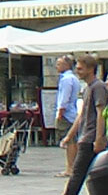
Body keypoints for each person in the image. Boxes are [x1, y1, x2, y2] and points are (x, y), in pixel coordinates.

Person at [62, 54, 107, 195]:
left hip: (90, 138)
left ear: (90, 69)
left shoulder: (98, 87)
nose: (77, 71)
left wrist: (99, 138)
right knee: (85, 174)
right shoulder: (88, 88)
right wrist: (69, 136)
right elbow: (81, 115)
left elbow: (101, 113)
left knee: (78, 174)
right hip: (85, 136)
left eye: (80, 69)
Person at [55, 55, 81, 177]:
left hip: (67, 113)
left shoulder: (66, 79)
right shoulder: (74, 78)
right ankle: (73, 166)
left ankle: (70, 168)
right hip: (72, 112)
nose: (56, 66)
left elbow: (64, 97)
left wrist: (60, 112)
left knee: (69, 141)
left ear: (67, 65)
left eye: (59, 64)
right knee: (73, 141)